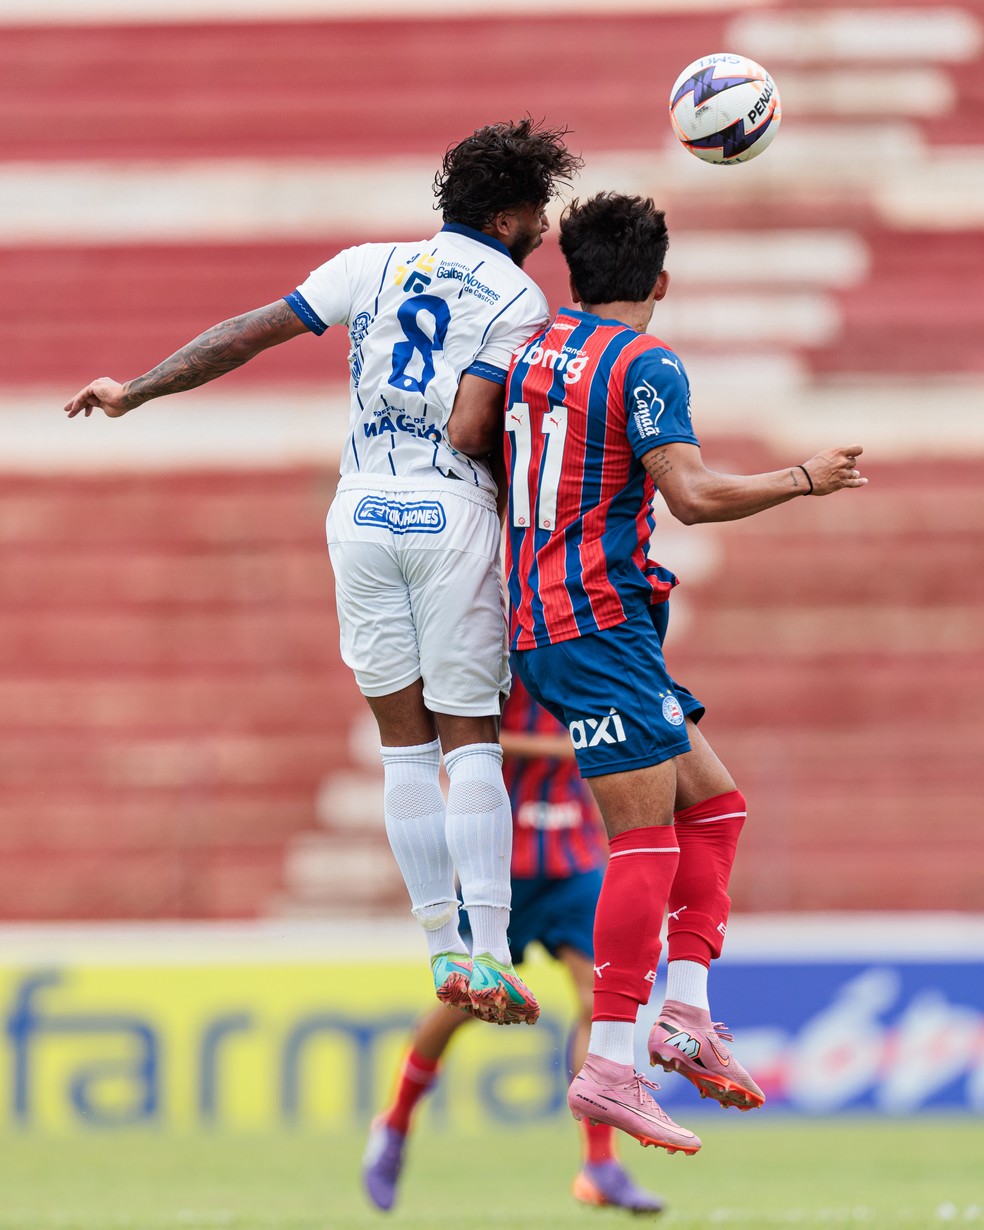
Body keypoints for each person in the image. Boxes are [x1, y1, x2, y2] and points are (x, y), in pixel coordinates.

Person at [63, 119, 582, 1027]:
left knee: (402, 744)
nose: (542, 228)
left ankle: (438, 953)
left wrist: (134, 389)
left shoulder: (368, 264)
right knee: (472, 741)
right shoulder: (520, 300)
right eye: (536, 212)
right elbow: (470, 427)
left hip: (361, 513)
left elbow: (246, 334)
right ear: (507, 216)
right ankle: (493, 953)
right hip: (449, 510)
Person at [503, 192, 867, 1154]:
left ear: (572, 275)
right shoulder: (645, 360)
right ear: (659, 282)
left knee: (715, 804)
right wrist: (803, 478)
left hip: (568, 618)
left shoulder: (530, 348)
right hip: (593, 621)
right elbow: (694, 495)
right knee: (643, 842)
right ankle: (612, 1065)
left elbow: (472, 441)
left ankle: (688, 1015)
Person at [362, 676, 664, 1215]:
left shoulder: (582, 649)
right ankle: (395, 1123)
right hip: (501, 862)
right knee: (462, 1004)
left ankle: (600, 1164)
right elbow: (458, 735)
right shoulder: (499, 649)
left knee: (601, 1003)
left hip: (573, 860)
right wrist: (570, 745)